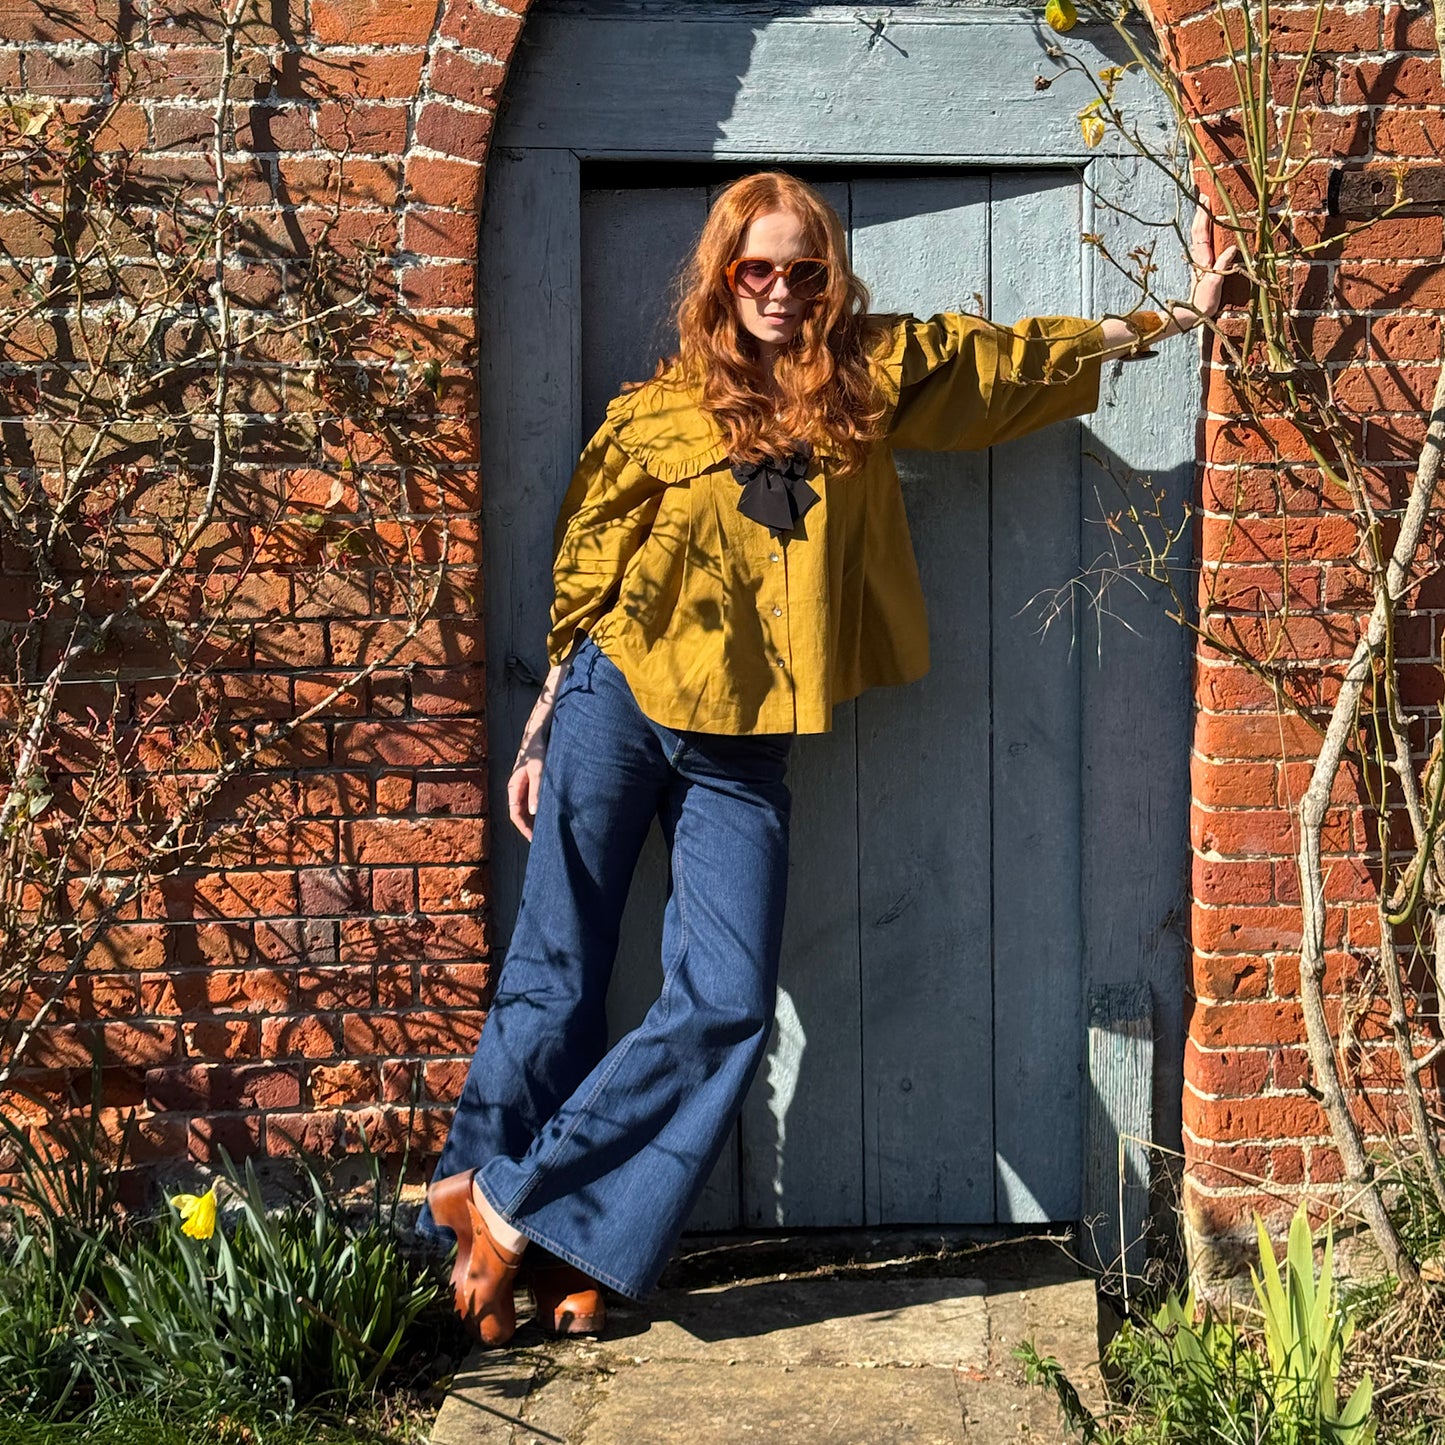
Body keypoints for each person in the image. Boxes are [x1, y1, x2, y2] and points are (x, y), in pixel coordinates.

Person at [415, 171, 1236, 1345]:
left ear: (828, 278)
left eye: (802, 270)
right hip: (618, 699)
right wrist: (546, 715)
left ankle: (518, 1205)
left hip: (742, 747)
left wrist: (1171, 317)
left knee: (724, 1000)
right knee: (556, 971)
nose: (780, 289)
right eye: (756, 267)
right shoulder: (659, 409)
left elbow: (1008, 362)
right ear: (721, 274)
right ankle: (476, 1255)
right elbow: (589, 557)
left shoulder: (871, 374)